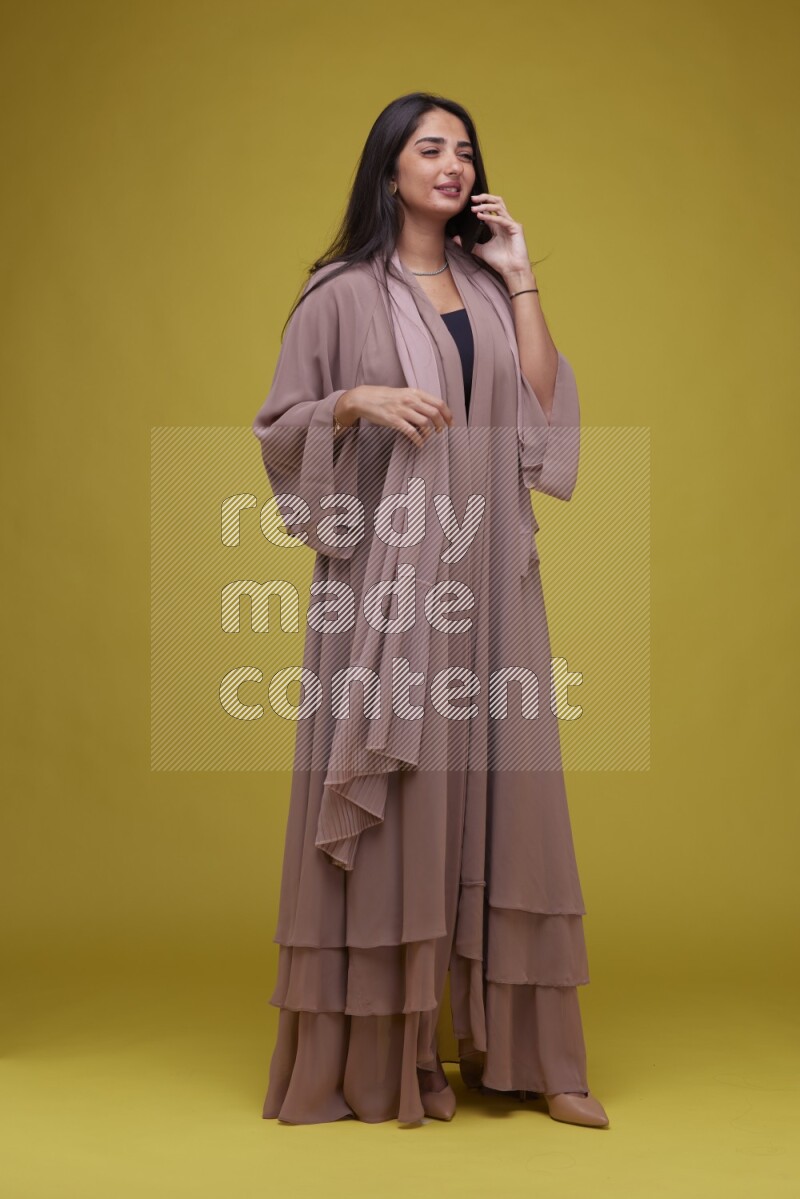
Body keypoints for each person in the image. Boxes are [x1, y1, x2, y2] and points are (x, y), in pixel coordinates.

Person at [251, 91, 609, 1129]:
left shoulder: (487, 290)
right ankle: (392, 1057)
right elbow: (280, 425)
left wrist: (520, 275)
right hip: (385, 584)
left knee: (513, 791)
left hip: (492, 567)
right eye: (429, 147)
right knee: (400, 801)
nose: (451, 164)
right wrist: (355, 402)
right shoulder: (339, 295)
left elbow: (539, 414)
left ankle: (534, 1054)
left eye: (464, 150)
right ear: (390, 167)